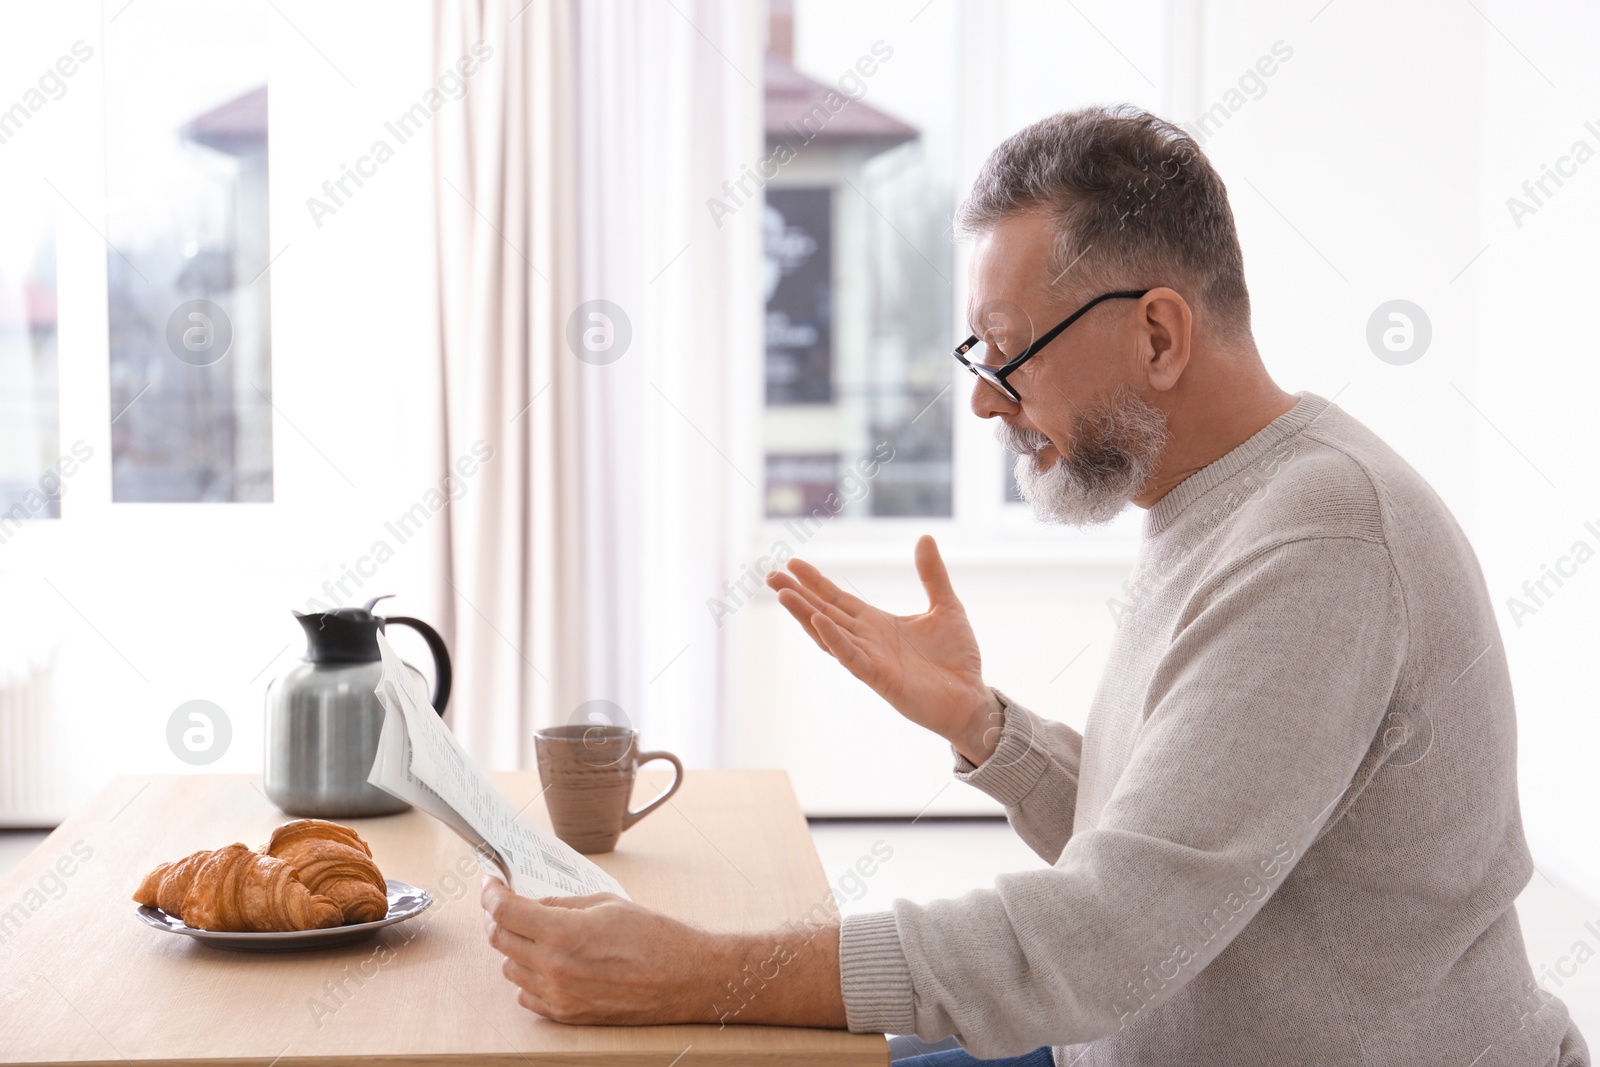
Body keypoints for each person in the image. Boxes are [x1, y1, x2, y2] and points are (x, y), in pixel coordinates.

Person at [478, 104, 1590, 1067]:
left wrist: (700, 972)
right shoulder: (1216, 501)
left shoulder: (1321, 542)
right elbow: (1166, 849)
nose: (984, 401)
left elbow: (1106, 932)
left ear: (1158, 333)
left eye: (1006, 354)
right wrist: (982, 721)